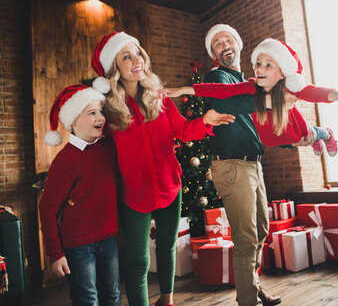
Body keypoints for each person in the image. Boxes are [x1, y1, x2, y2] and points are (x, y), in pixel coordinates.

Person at [91, 31, 234, 306]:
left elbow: (182, 130)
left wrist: (206, 120)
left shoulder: (160, 99)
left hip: (170, 184)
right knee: (138, 261)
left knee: (167, 246)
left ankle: (166, 300)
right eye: (127, 56)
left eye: (138, 53)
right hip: (133, 191)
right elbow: (99, 155)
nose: (137, 60)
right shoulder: (108, 111)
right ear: (115, 68)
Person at [194, 24, 281, 306]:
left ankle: (253, 288)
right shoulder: (217, 77)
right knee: (246, 239)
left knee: (261, 230)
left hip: (253, 164)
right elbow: (233, 103)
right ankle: (247, 301)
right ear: (213, 54)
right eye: (217, 43)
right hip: (232, 166)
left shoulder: (245, 80)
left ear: (238, 44)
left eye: (228, 39)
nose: (224, 44)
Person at [162, 38, 338, 156]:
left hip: (292, 129)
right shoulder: (252, 86)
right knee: (292, 141)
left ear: (282, 71)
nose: (259, 69)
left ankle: (326, 134)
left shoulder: (289, 87)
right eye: (258, 63)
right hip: (272, 136)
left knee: (306, 135)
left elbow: (315, 92)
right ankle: (315, 137)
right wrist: (184, 90)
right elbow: (220, 90)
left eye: (268, 65)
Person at [40, 84, 121, 306]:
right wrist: (55, 254)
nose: (100, 117)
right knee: (87, 299)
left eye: (101, 111)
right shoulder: (64, 161)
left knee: (112, 296)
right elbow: (47, 209)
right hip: (78, 246)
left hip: (109, 239)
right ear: (74, 121)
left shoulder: (108, 147)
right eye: (92, 113)